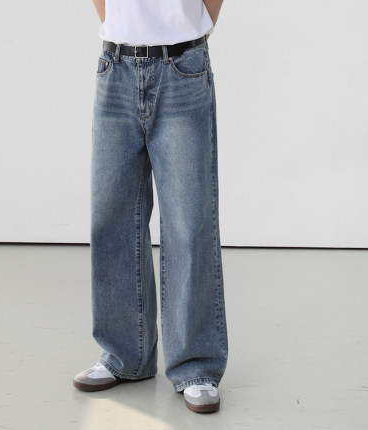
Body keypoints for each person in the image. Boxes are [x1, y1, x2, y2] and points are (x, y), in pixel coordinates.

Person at [73, 0, 228, 414]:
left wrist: (196, 25)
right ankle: (125, 355)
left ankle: (195, 365)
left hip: (182, 67)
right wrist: (120, 27)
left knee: (189, 221)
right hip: (115, 67)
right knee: (112, 215)